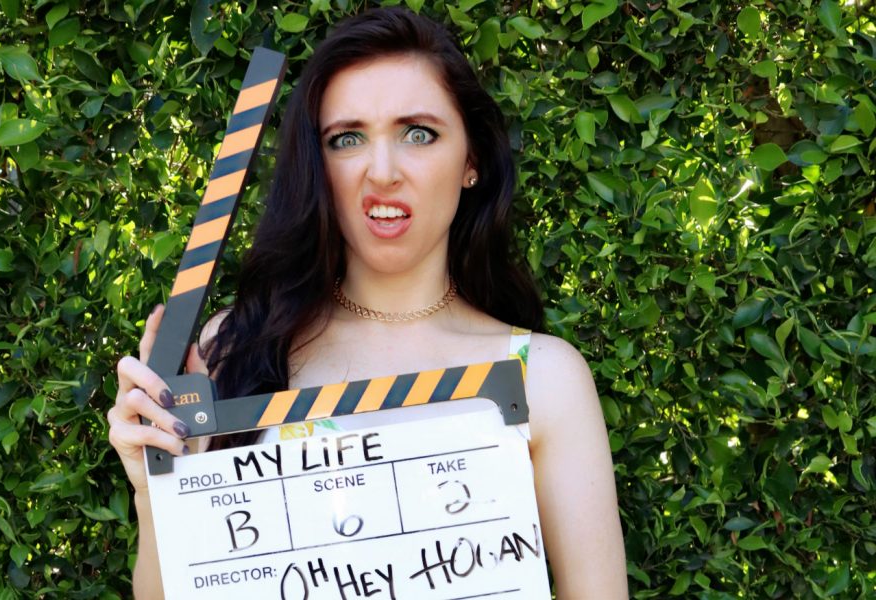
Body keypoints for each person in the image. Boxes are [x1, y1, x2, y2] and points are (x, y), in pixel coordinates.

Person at [107, 7, 627, 598]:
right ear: (318, 168)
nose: (382, 172)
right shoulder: (230, 351)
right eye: (347, 139)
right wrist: (153, 489)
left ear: (472, 161)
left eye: (419, 133)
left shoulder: (544, 378)